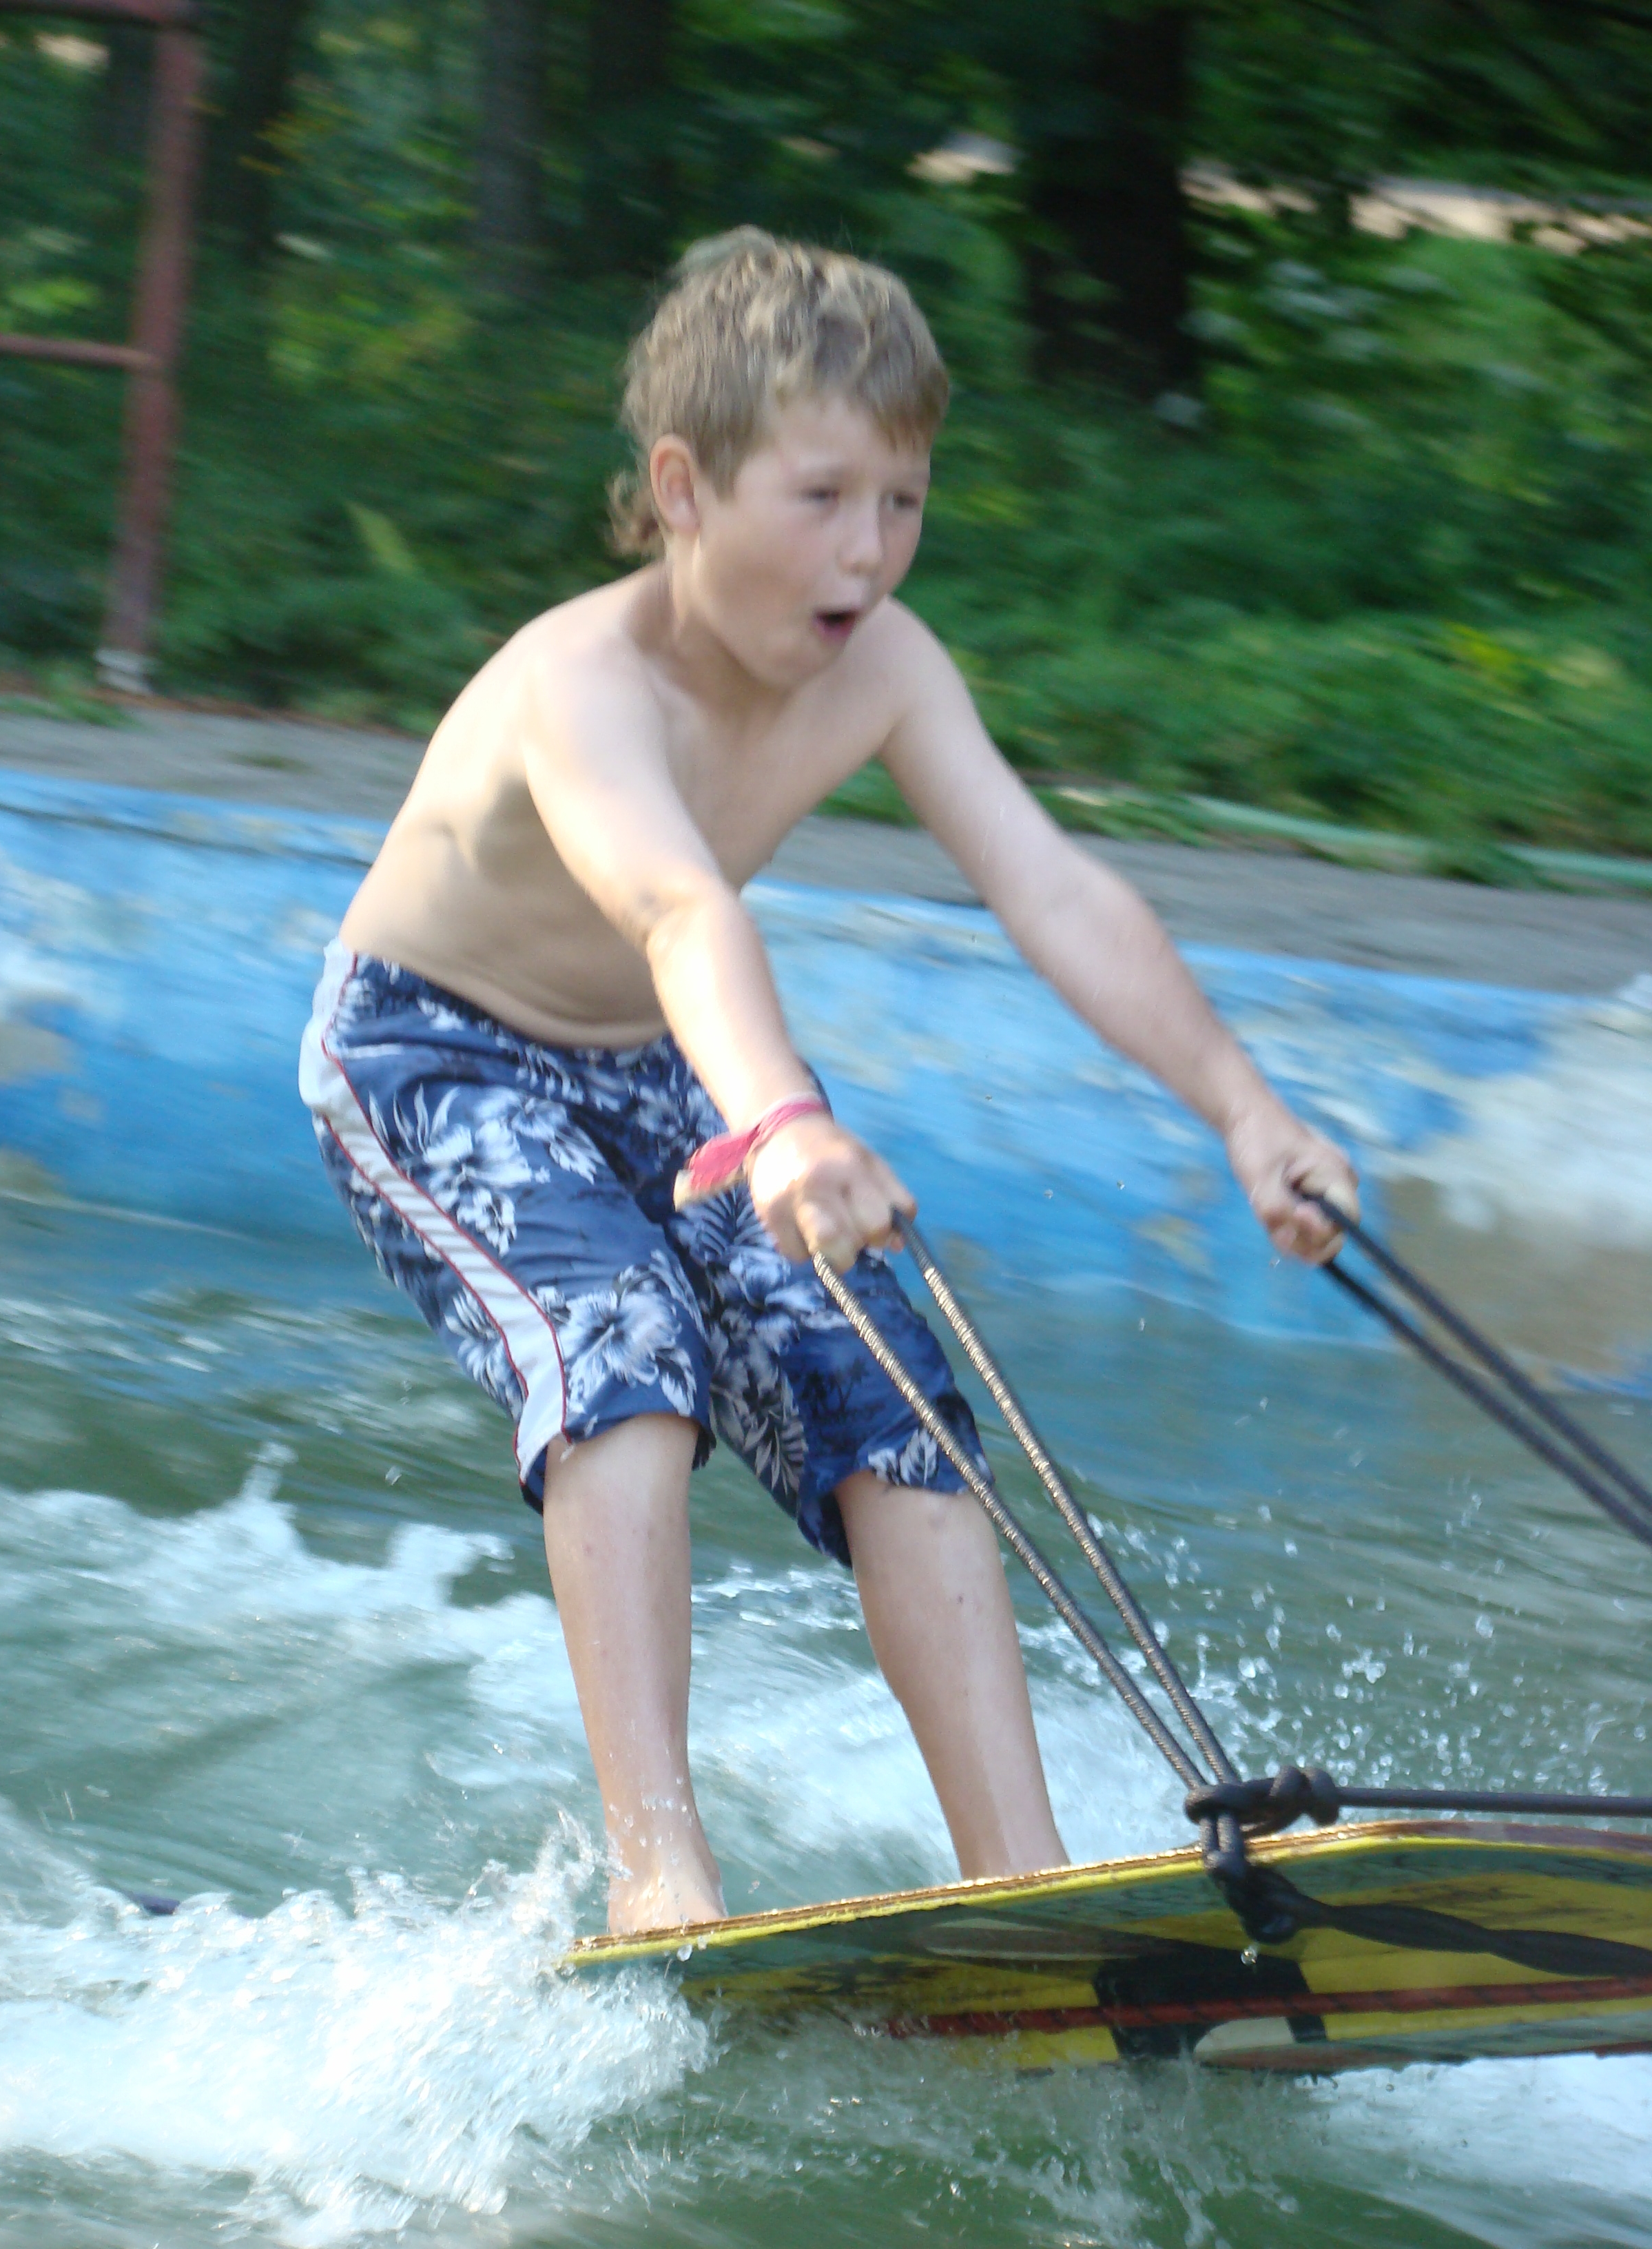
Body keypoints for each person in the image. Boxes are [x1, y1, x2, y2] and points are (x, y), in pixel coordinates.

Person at [299, 228, 1358, 1935]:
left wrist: (1246, 1108)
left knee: (892, 1386)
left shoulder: (889, 666)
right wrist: (785, 1119)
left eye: (905, 500)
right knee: (623, 1342)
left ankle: (1026, 1884)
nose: (871, 549)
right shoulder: (583, 682)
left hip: (662, 1062)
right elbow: (675, 906)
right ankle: (661, 1875)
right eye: (824, 497)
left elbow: (1053, 890)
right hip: (434, 1048)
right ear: (684, 488)